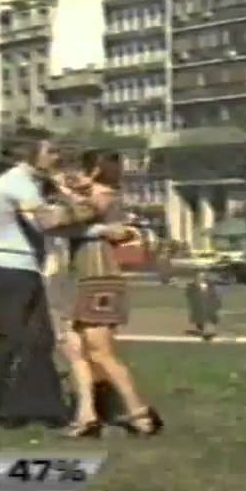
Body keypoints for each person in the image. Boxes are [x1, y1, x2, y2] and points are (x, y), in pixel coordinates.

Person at [0, 132, 93, 430]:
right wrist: (86, 207)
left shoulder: (32, 183)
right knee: (6, 340)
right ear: (29, 153)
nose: (56, 157)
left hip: (26, 268)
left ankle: (38, 408)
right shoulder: (16, 184)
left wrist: (65, 194)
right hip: (8, 269)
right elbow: (47, 222)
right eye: (51, 152)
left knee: (40, 340)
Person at [55, 150, 163, 439]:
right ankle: (86, 415)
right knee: (74, 349)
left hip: (99, 278)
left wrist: (62, 191)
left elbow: (69, 218)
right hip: (79, 277)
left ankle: (140, 414)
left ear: (94, 170)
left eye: (80, 167)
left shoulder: (103, 195)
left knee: (99, 352)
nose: (73, 173)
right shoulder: (88, 194)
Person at [185, 270, 221, 340]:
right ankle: (204, 328)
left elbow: (214, 297)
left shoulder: (209, 287)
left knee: (207, 316)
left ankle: (206, 329)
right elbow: (189, 294)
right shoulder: (194, 287)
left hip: (207, 307)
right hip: (201, 307)